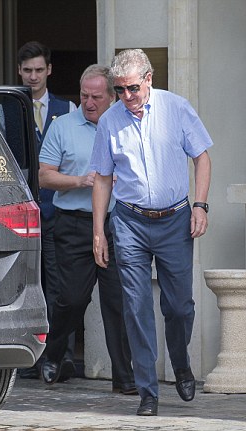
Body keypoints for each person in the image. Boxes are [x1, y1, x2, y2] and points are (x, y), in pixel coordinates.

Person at [90, 49, 213, 416]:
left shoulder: (176, 108)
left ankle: (180, 362)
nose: (126, 96)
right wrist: (99, 231)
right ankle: (147, 390)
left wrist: (200, 205)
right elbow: (102, 178)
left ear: (149, 79)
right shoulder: (110, 121)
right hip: (129, 221)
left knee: (179, 306)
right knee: (137, 307)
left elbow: (202, 157)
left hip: (175, 218)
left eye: (132, 88)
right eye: (119, 90)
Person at [39, 65, 136, 395]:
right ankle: (52, 353)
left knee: (117, 301)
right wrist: (80, 180)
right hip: (73, 224)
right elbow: (44, 176)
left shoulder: (125, 126)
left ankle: (124, 377)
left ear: (112, 97)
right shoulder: (63, 127)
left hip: (115, 224)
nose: (89, 102)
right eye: (83, 95)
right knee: (72, 298)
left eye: (96, 96)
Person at [0, 41, 77, 380]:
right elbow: (1, 163)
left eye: (39, 70)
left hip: (60, 211)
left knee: (62, 290)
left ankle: (61, 357)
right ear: (18, 71)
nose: (33, 76)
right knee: (23, 285)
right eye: (27, 70)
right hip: (20, 213)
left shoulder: (67, 108)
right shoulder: (4, 109)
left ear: (49, 70)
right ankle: (25, 358)